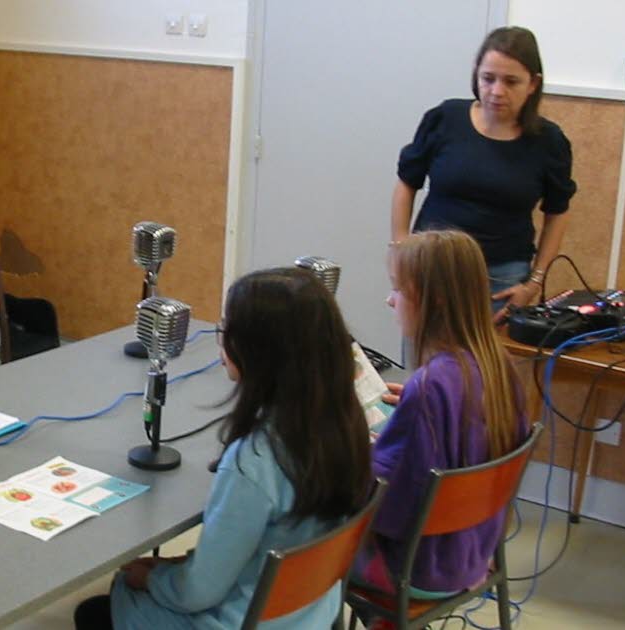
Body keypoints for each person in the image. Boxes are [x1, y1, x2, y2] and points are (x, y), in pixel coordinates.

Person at [74, 268, 372, 629]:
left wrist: (152, 579)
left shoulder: (255, 461)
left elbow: (199, 593)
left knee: (107, 601)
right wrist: (177, 566)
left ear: (254, 351)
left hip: (242, 622)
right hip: (308, 614)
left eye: (225, 330)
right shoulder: (346, 426)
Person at [360, 231, 529, 611]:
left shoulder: (430, 386)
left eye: (398, 290)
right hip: (474, 552)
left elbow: (389, 510)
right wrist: (417, 409)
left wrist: (357, 450)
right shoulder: (497, 367)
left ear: (431, 299)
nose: (390, 300)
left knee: (306, 541)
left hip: (416, 569)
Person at [390, 26, 577, 321]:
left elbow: (558, 212)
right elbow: (406, 183)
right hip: (431, 269)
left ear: (533, 84)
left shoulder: (549, 142)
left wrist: (534, 283)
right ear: (476, 74)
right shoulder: (444, 118)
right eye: (488, 78)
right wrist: (400, 250)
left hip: (501, 280)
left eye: (511, 81)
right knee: (425, 365)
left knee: (482, 366)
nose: (497, 91)